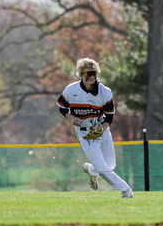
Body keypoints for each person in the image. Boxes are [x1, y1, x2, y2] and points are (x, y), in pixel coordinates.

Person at [57, 58, 134, 198]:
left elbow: (110, 116)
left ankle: (91, 169)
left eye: (94, 73)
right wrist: (71, 118)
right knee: (104, 169)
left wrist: (102, 129)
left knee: (109, 166)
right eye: (88, 74)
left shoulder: (105, 92)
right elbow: (62, 107)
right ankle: (126, 190)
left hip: (102, 131)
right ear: (81, 75)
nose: (92, 76)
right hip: (85, 134)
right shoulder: (71, 90)